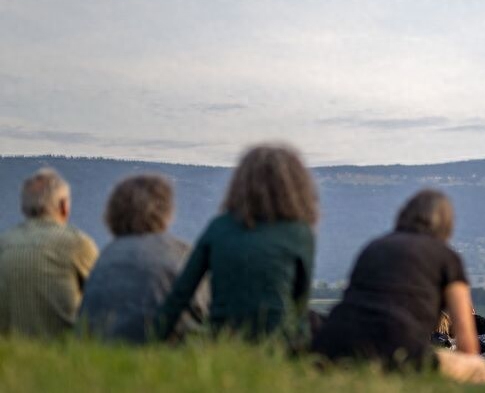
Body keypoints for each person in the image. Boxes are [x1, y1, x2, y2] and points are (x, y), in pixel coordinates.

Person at [312, 190, 485, 384]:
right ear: (447, 224)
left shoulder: (373, 247)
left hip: (334, 341)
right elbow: (467, 343)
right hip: (398, 347)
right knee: (478, 370)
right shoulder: (447, 257)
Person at [155, 144, 317, 345]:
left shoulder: (219, 227)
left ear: (240, 184)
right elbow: (300, 304)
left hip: (223, 339)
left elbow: (181, 293)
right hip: (279, 343)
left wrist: (153, 340)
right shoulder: (300, 233)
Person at [77, 175, 209, 343]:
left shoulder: (105, 257)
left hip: (102, 353)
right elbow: (205, 307)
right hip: (170, 352)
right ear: (165, 211)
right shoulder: (181, 254)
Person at [0, 168, 98, 337]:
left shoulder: (4, 243)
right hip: (65, 352)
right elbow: (104, 293)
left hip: (9, 355)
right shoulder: (77, 244)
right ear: (63, 206)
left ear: (24, 207)